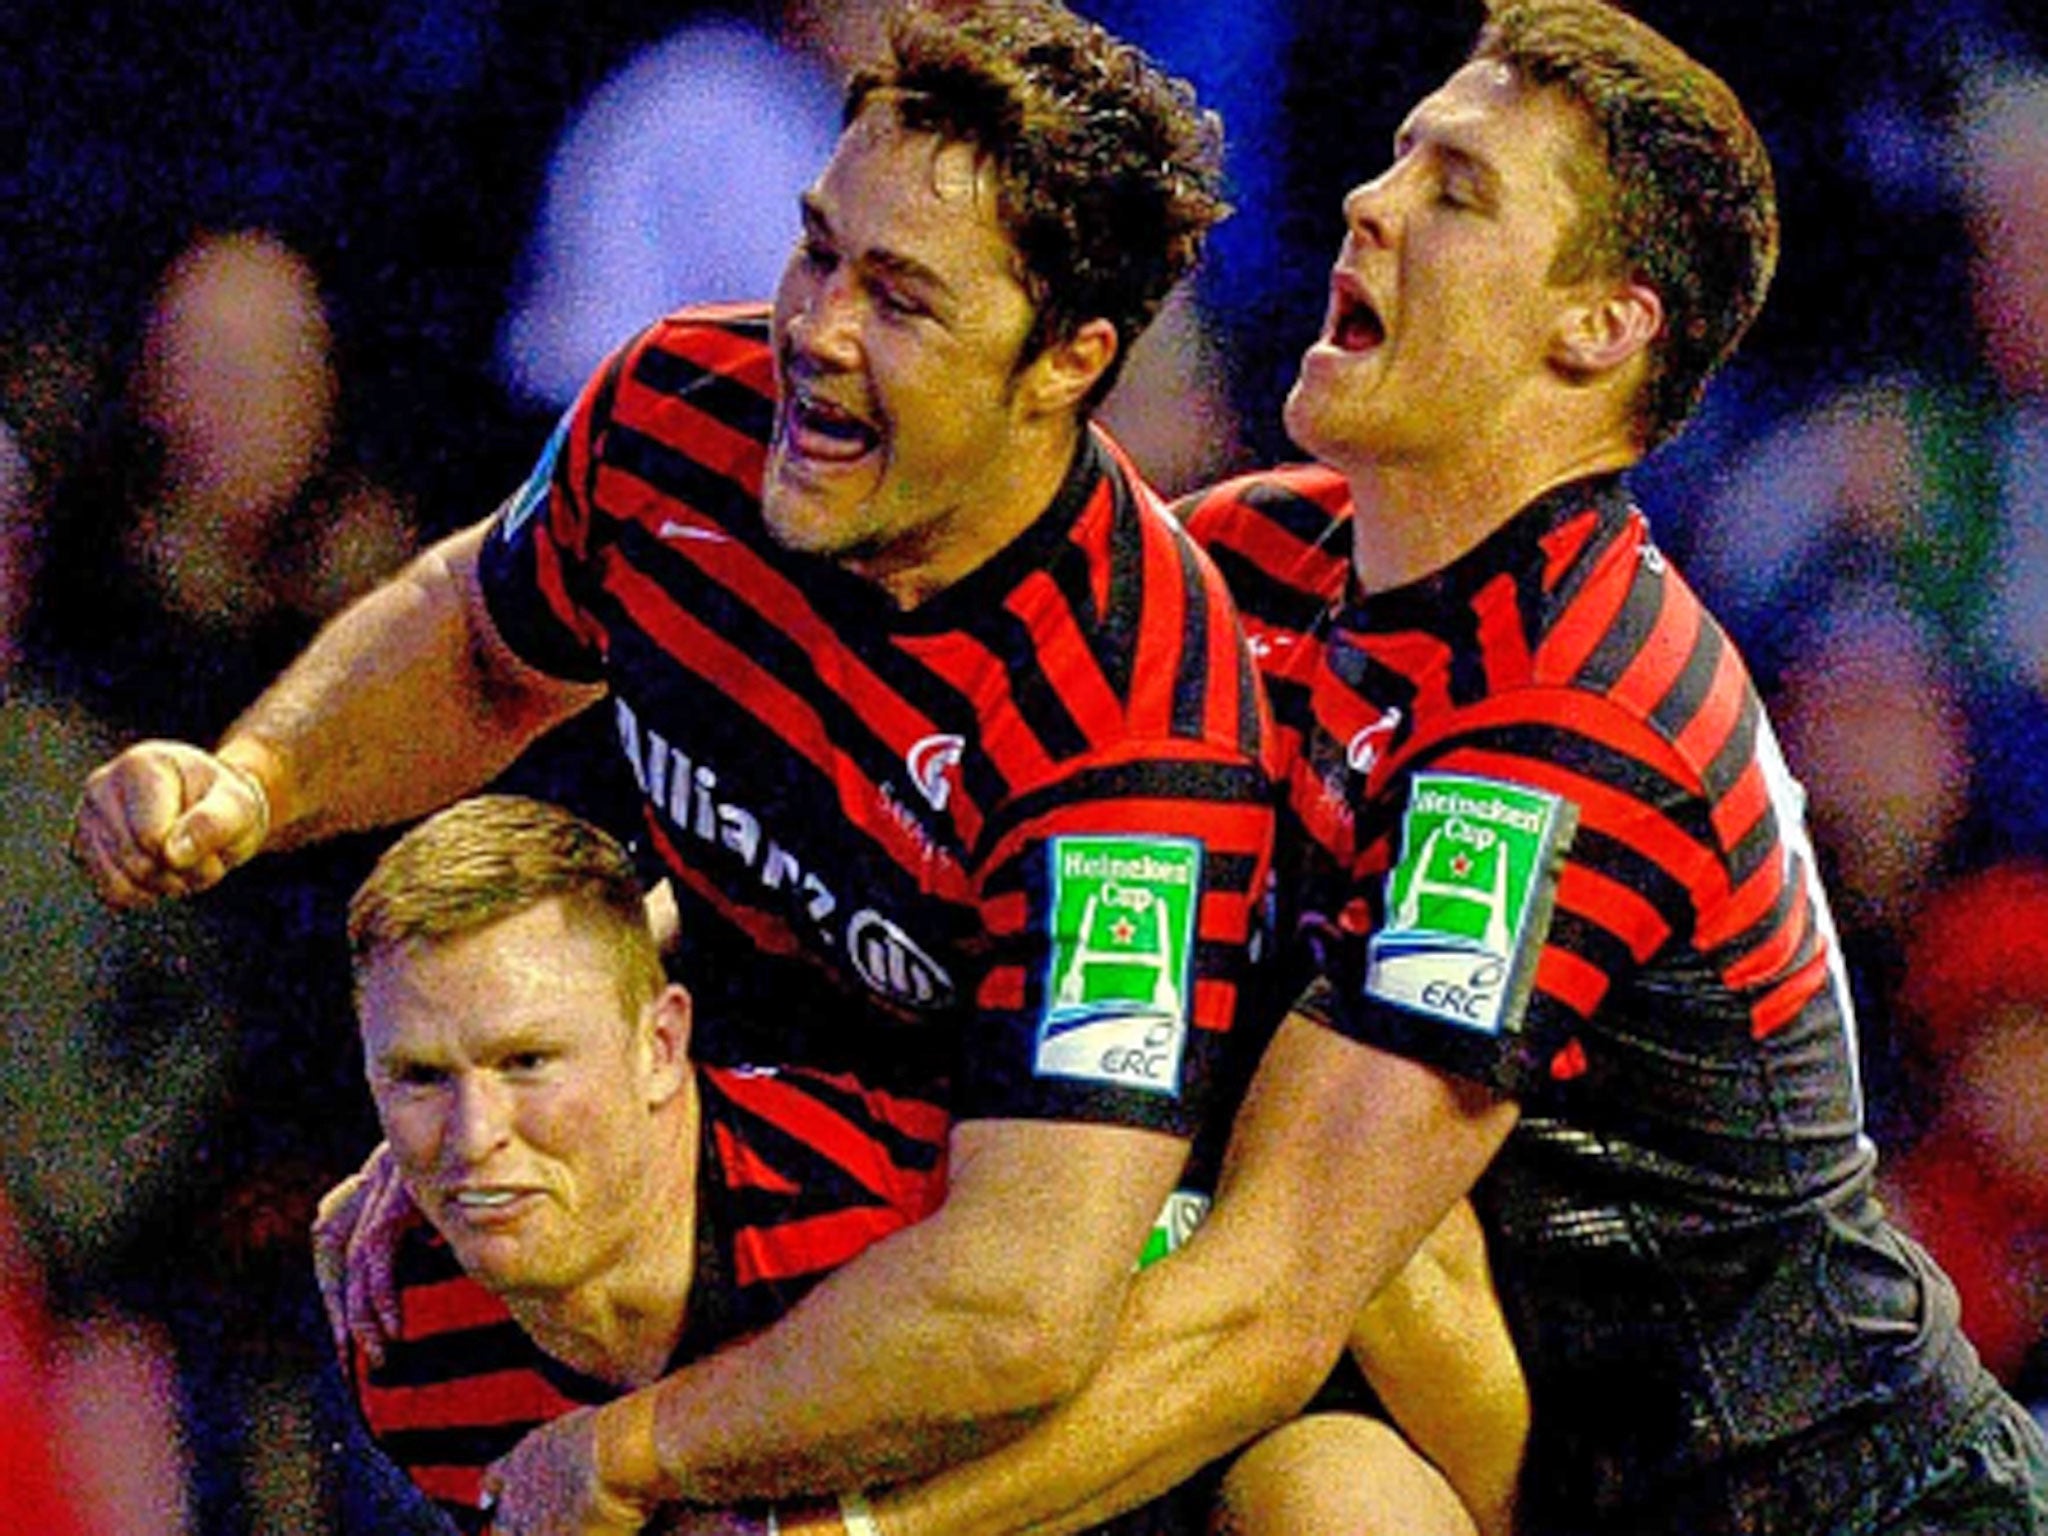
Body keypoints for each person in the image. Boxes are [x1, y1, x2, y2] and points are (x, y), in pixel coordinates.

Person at [829, 2, 2048, 1532]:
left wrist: (832, 1525)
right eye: (1398, 159)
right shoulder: (1262, 560)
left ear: (1598, 325)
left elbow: (1267, 1302)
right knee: (1314, 1471)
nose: (1367, 201)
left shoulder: (1577, 713)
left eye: (1453, 189)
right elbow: (904, 773)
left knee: (1305, 1337)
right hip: (1530, 1462)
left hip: (1846, 1503)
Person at [68, 3, 1287, 1530]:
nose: (816, 331)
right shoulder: (679, 416)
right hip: (756, 1147)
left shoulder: (1137, 726)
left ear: (1065, 361)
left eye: (899, 298)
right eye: (818, 250)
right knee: (431, 1295)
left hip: (1085, 1283)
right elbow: (477, 641)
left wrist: (644, 1452)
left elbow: (1021, 1297)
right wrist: (249, 785)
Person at [335, 794, 950, 1536]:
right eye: (420, 1077)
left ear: (659, 1047)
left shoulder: (888, 1207)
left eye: (527, 1062)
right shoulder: (409, 1341)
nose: (473, 1135)